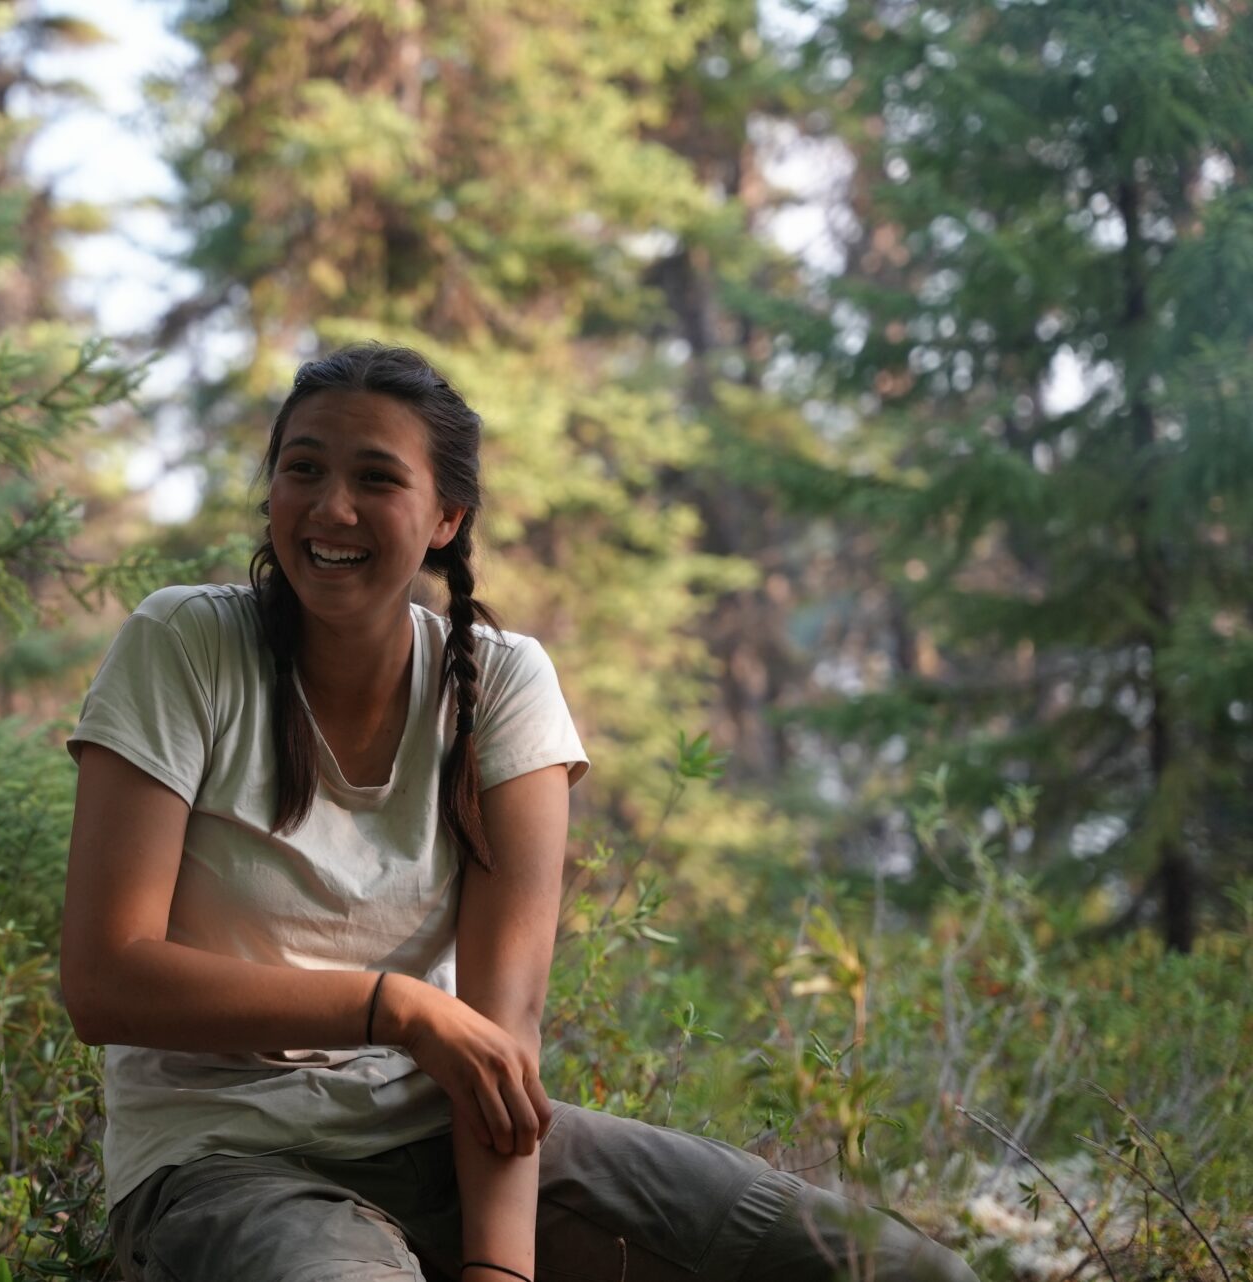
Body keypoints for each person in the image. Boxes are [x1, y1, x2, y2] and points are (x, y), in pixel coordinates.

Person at [61, 342, 974, 1282]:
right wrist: (396, 1007)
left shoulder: (501, 685)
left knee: (906, 1271)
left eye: (376, 478)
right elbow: (104, 981)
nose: (331, 507)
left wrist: (501, 1269)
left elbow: (503, 1037)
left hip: (445, 1138)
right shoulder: (185, 645)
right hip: (222, 1163)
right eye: (303, 469)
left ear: (447, 519)